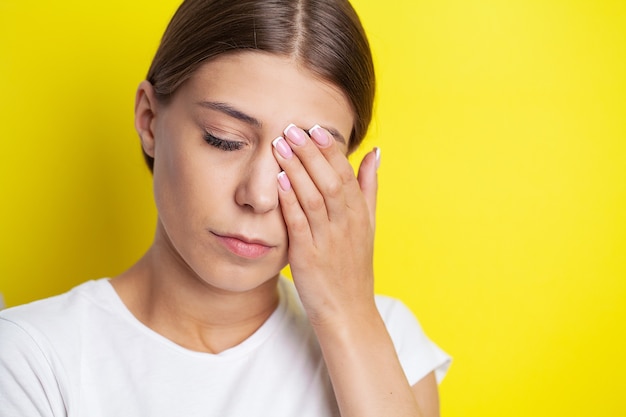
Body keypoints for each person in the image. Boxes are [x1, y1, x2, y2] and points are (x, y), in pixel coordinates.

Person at [0, 0, 450, 416]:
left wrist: (348, 315)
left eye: (303, 160)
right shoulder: (31, 359)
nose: (258, 195)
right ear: (149, 120)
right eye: (224, 139)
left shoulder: (385, 340)